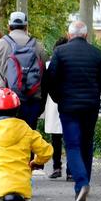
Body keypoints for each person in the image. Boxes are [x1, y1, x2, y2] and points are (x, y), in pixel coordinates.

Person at [46, 21, 101, 201]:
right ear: (86, 35)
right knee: (86, 144)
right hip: (90, 107)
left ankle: (81, 182)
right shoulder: (96, 54)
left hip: (68, 107)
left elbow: (50, 81)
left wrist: (58, 98)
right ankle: (84, 184)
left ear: (69, 35)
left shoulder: (60, 53)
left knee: (73, 146)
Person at [0, 11, 47, 130]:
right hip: (31, 102)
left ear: (8, 26)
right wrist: (40, 105)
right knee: (27, 140)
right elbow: (45, 79)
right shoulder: (38, 47)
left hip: (4, 103)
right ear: (26, 26)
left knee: (5, 142)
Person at [44, 37, 69, 180]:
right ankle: (69, 170)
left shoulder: (49, 64)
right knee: (69, 138)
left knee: (56, 138)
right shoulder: (71, 62)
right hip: (65, 102)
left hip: (53, 103)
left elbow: (45, 85)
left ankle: (56, 167)